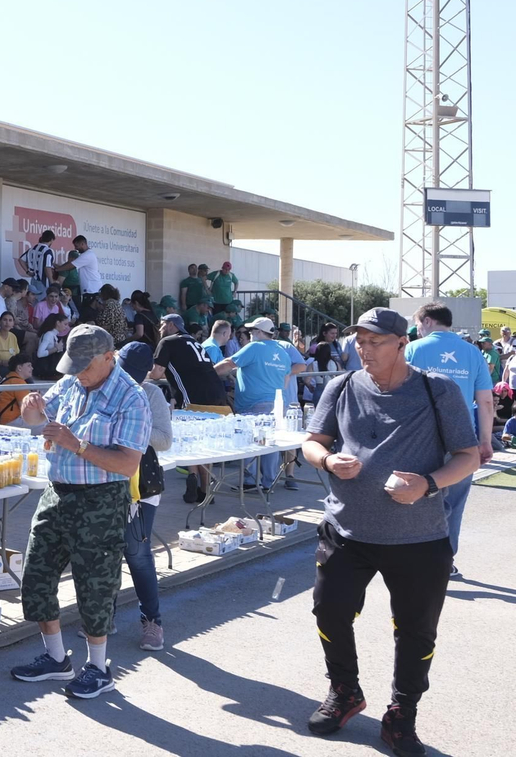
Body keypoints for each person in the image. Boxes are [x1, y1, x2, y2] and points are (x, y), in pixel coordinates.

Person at [299, 308, 478, 756]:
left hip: (418, 539)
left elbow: (468, 456)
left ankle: (402, 713)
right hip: (346, 530)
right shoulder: (341, 386)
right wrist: (326, 460)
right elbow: (312, 443)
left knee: (416, 631)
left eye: (375, 341)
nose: (364, 349)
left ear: (402, 343)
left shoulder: (438, 391)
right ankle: (345, 691)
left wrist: (427, 484)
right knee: (329, 611)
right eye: (359, 341)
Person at [10, 325, 149, 699]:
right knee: (36, 574)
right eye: (74, 366)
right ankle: (56, 658)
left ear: (109, 357)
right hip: (58, 492)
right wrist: (33, 413)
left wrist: (77, 444)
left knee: (95, 585)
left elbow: (127, 465)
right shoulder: (71, 383)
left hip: (101, 500)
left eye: (85, 366)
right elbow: (41, 422)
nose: (78, 374)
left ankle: (99, 667)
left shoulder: (131, 397)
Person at [403, 303, 493, 569]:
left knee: (418, 497)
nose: (417, 329)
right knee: (453, 502)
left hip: (420, 437)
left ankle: (416, 558)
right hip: (462, 439)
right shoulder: (473, 352)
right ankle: (444, 561)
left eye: (418, 324)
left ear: (428, 321)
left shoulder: (413, 349)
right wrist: (485, 441)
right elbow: (486, 402)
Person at [114, 342, 171, 652]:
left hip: (142, 485)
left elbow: (164, 440)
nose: (126, 378)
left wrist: (134, 427)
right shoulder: (104, 387)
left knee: (137, 553)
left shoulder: (152, 394)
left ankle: (152, 622)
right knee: (106, 550)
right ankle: (103, 616)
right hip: (106, 480)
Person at [215, 316, 304, 492]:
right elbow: (286, 378)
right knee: (270, 444)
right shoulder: (282, 351)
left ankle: (249, 481)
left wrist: (207, 373)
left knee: (249, 443)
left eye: (251, 331)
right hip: (278, 404)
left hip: (253, 405)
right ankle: (267, 482)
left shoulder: (254, 347)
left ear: (258, 332)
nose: (249, 334)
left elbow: (228, 363)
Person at [154, 313, 229, 503]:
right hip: (218, 396)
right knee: (204, 444)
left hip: (194, 399)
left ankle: (195, 480)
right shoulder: (196, 343)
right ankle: (203, 489)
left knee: (192, 442)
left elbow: (156, 373)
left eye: (162, 324)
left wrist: (137, 376)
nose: (159, 328)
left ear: (171, 325)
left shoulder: (168, 342)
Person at [63, 236, 103, 310]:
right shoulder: (87, 254)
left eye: (76, 246)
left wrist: (57, 270)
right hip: (91, 291)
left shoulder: (87, 255)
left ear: (82, 244)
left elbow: (71, 265)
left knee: (88, 315)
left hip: (91, 291)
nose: (75, 248)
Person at [0, 353, 34, 425]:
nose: (32, 368)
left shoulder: (9, 377)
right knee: (45, 424)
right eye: (29, 366)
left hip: (3, 420)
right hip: (11, 422)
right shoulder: (18, 382)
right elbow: (26, 409)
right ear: (19, 368)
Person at [17, 229, 59, 297]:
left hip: (33, 279)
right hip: (43, 281)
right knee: (42, 303)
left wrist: (27, 271)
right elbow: (47, 267)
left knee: (33, 301)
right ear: (51, 240)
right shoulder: (48, 251)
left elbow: (21, 260)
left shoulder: (32, 249)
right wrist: (52, 282)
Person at [35, 314, 71, 380]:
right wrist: (56, 349)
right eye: (65, 324)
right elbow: (39, 354)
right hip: (45, 367)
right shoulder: (49, 335)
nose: (66, 327)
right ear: (58, 323)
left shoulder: (53, 335)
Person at [0, 312, 22, 378]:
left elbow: (17, 354)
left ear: (13, 323)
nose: (7, 323)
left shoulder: (13, 336)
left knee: (27, 375)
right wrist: (2, 362)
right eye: (5, 320)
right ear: (0, 322)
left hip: (12, 366)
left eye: (10, 320)